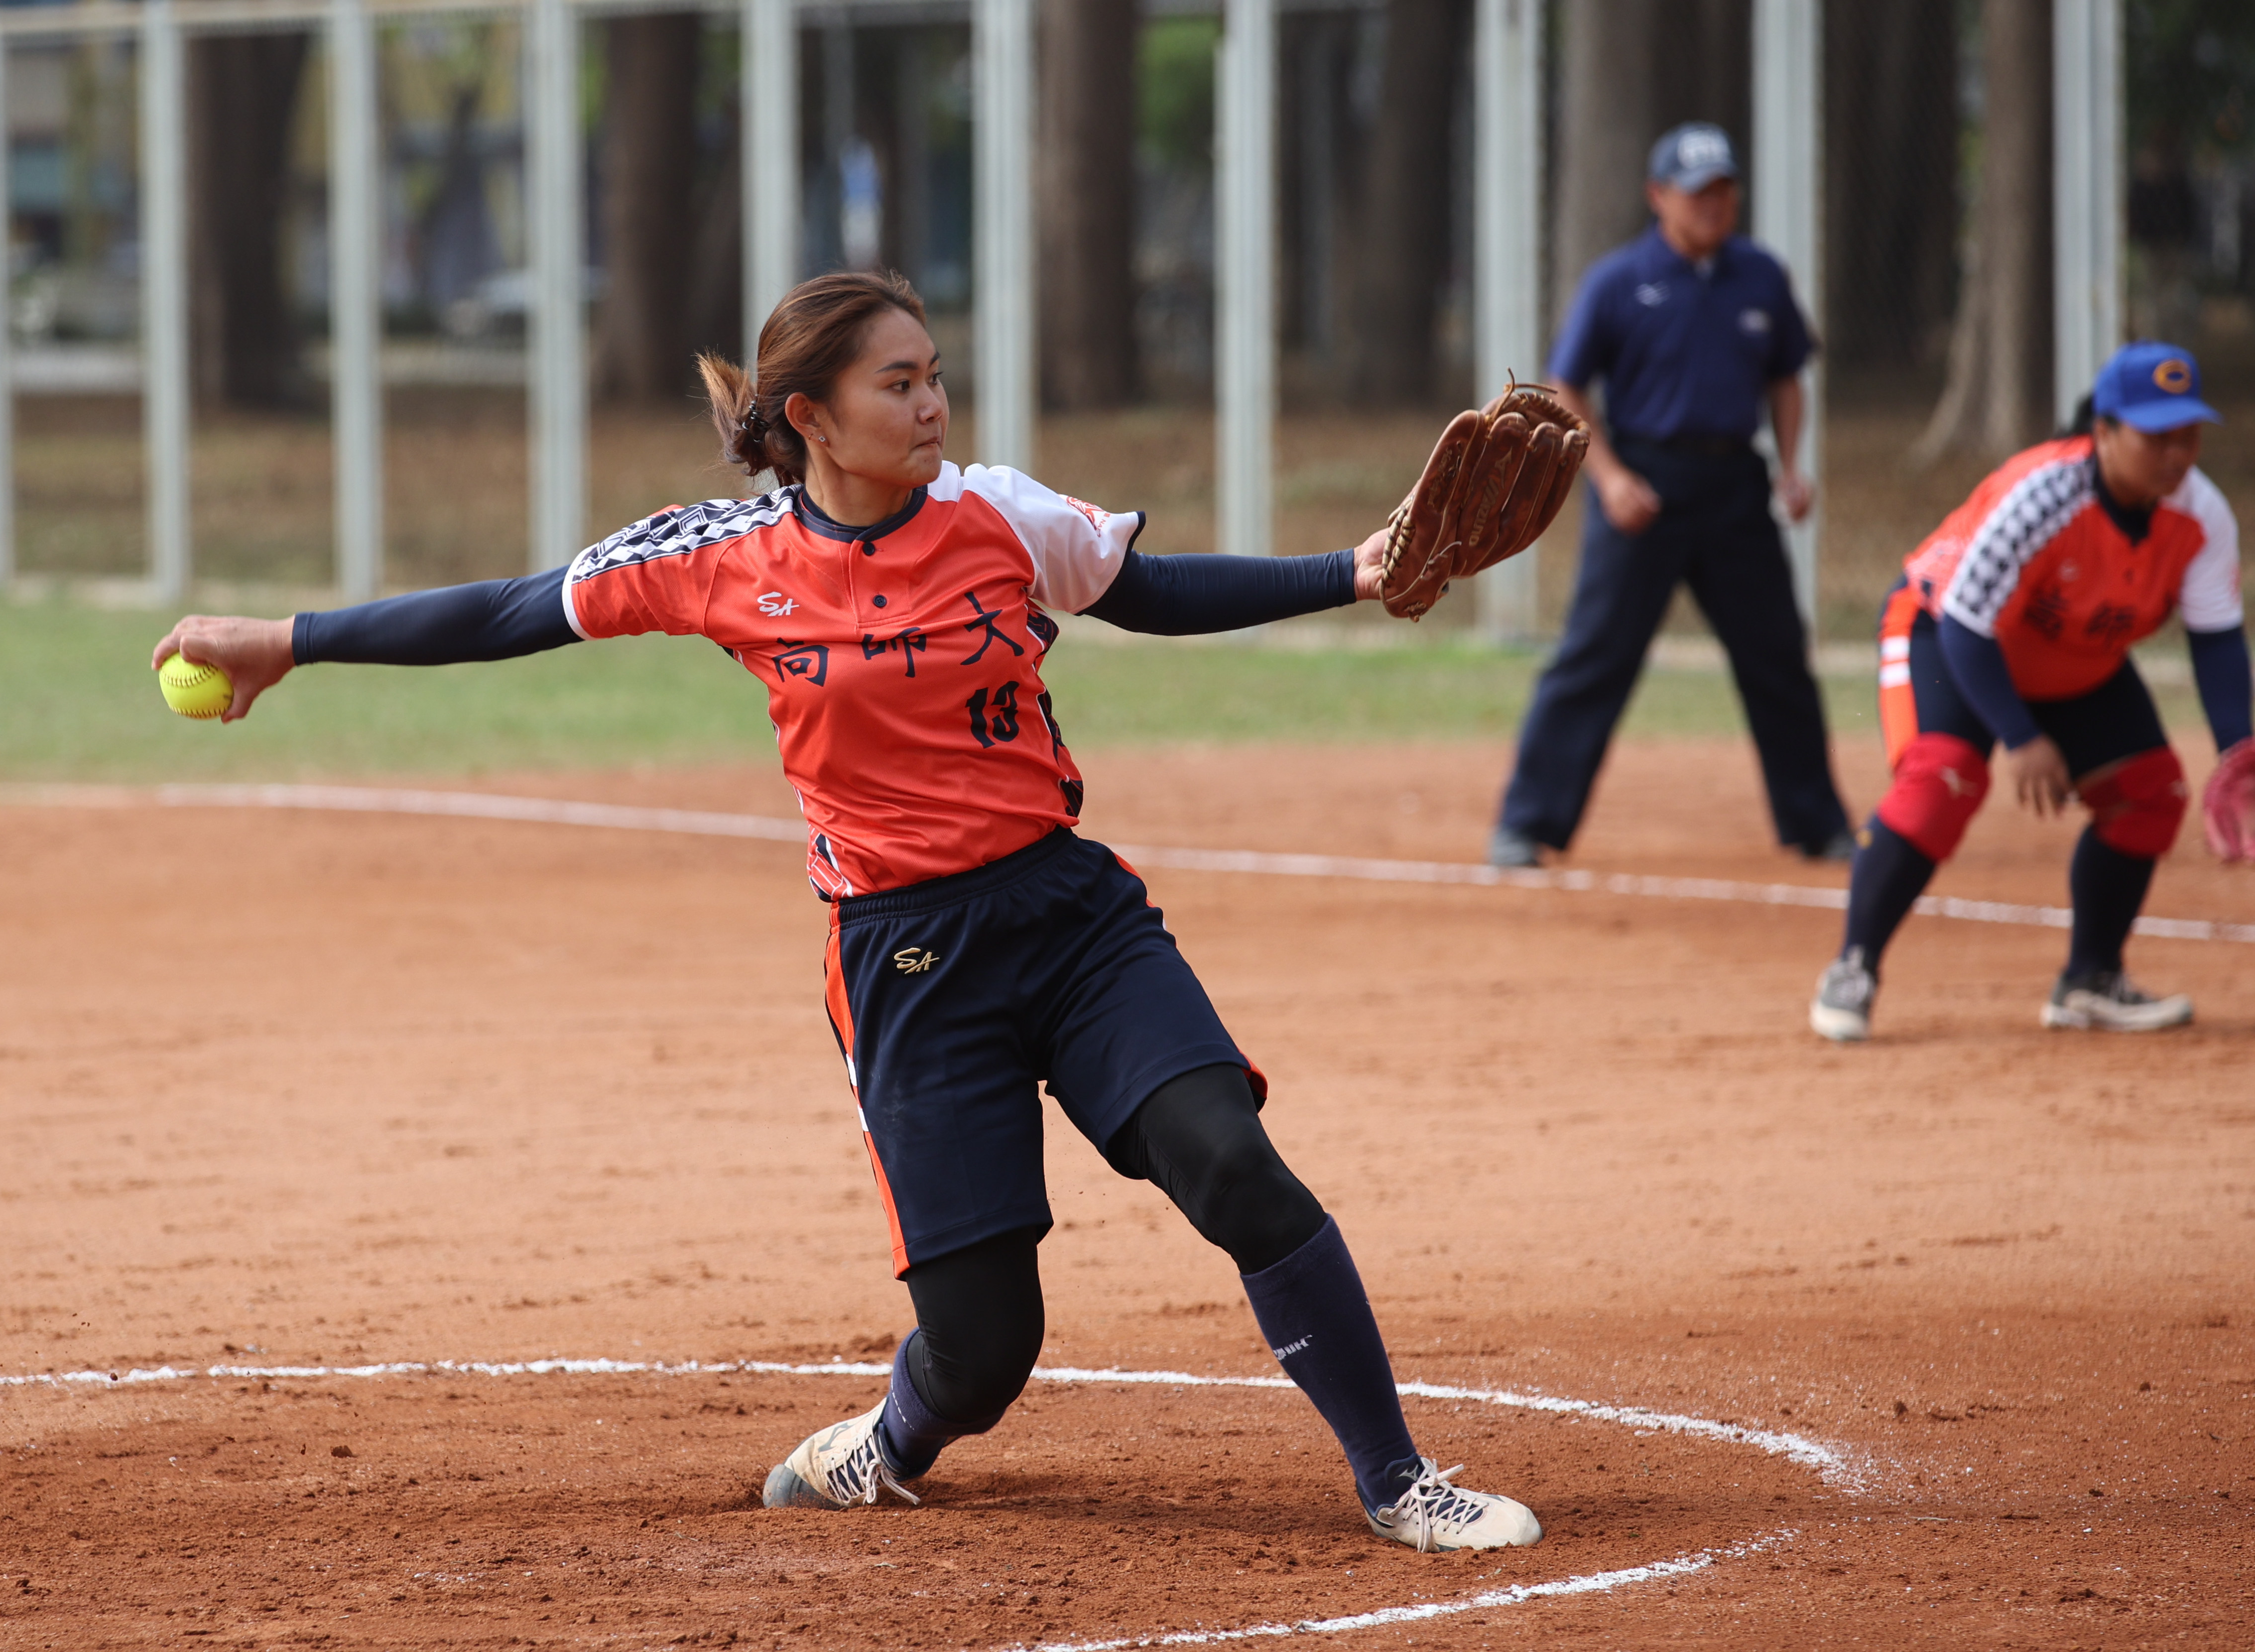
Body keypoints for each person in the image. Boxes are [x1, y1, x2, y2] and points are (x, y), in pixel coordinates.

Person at [151, 271, 1543, 1554]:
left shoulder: (996, 512)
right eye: (899, 382)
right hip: (910, 957)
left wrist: (1352, 572)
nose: (932, 402)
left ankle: (1395, 1476)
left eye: (935, 373)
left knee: (1229, 1161)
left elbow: (1149, 591)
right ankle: (891, 1436)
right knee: (985, 1346)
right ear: (809, 415)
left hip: (1069, 918)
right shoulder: (723, 555)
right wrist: (287, 640)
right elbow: (518, 607)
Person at [1809, 342, 2250, 1042]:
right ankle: (1852, 966)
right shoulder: (2045, 494)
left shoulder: (2201, 519)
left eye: (2188, 434)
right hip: (1942, 631)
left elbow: (2216, 642)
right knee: (1941, 781)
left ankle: (2089, 980)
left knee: (2149, 790)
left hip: (2070, 658)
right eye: (2154, 434)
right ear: (2102, 431)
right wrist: (2021, 737)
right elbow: (1964, 623)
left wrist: (2239, 755)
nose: (2175, 452)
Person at [1490, 122, 1854, 868]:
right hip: (1643, 485)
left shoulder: (1760, 276)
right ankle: (1528, 823)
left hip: (1733, 485)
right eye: (1696, 193)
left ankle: (1818, 823)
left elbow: (1786, 376)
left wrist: (1790, 466)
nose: (1712, 205)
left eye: (1723, 190)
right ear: (1659, 198)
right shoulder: (1620, 280)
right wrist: (1611, 477)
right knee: (1595, 656)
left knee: (1776, 655)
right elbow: (1566, 385)